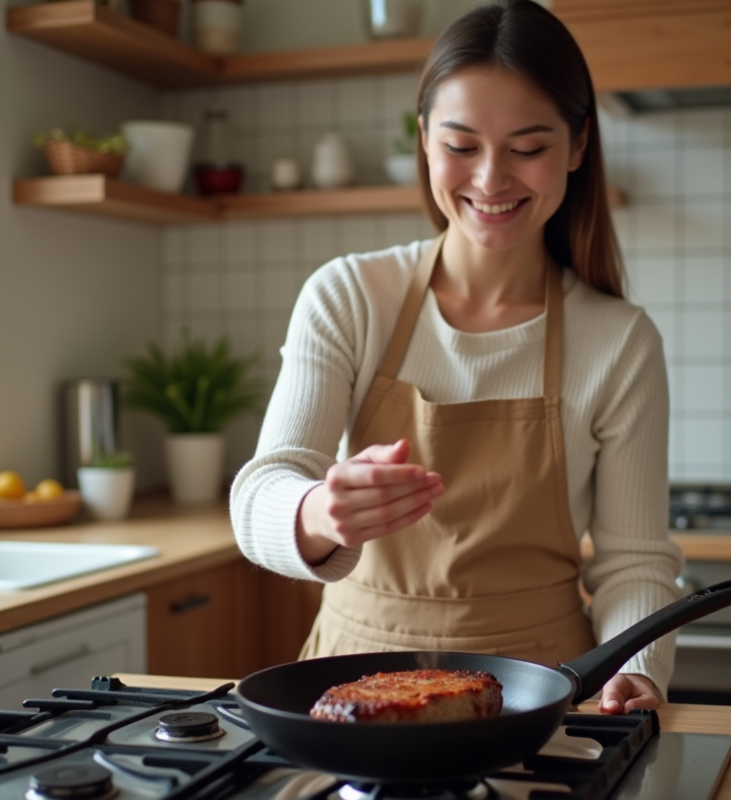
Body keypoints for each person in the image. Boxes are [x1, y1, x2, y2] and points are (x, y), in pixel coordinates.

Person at [231, 0, 682, 713]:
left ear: (576, 145)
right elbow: (260, 493)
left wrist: (637, 667)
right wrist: (319, 510)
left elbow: (635, 561)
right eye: (461, 145)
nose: (491, 178)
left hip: (537, 700)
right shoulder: (350, 296)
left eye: (527, 147)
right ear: (423, 140)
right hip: (354, 692)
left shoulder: (619, 341)